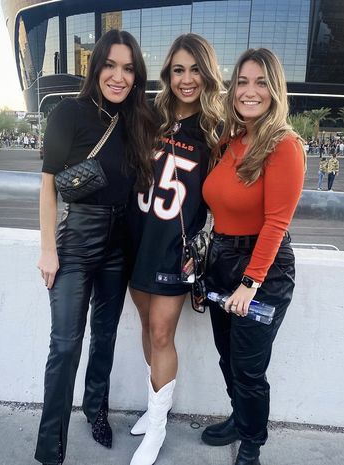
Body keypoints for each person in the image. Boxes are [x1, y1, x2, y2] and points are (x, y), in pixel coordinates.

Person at [34, 30, 156, 465]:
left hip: (120, 243)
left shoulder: (140, 119)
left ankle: (95, 408)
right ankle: (50, 450)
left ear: (136, 75)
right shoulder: (70, 113)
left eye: (127, 68)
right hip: (76, 241)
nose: (118, 77)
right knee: (65, 344)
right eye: (110, 65)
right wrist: (49, 249)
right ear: (96, 66)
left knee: (103, 336)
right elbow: (48, 187)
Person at [201, 48, 305, 465]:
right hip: (221, 257)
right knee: (228, 357)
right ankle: (240, 417)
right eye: (242, 81)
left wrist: (250, 283)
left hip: (263, 269)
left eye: (261, 82)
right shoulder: (231, 139)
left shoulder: (284, 145)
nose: (250, 90)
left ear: (275, 89)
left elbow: (276, 224)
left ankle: (251, 443)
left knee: (248, 367)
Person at [127, 33, 223, 465]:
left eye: (195, 69)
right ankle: (155, 408)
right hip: (137, 239)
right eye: (179, 70)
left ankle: (158, 428)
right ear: (168, 73)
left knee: (163, 333)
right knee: (147, 328)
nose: (187, 79)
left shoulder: (217, 130)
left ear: (207, 73)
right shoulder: (150, 115)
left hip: (174, 248)